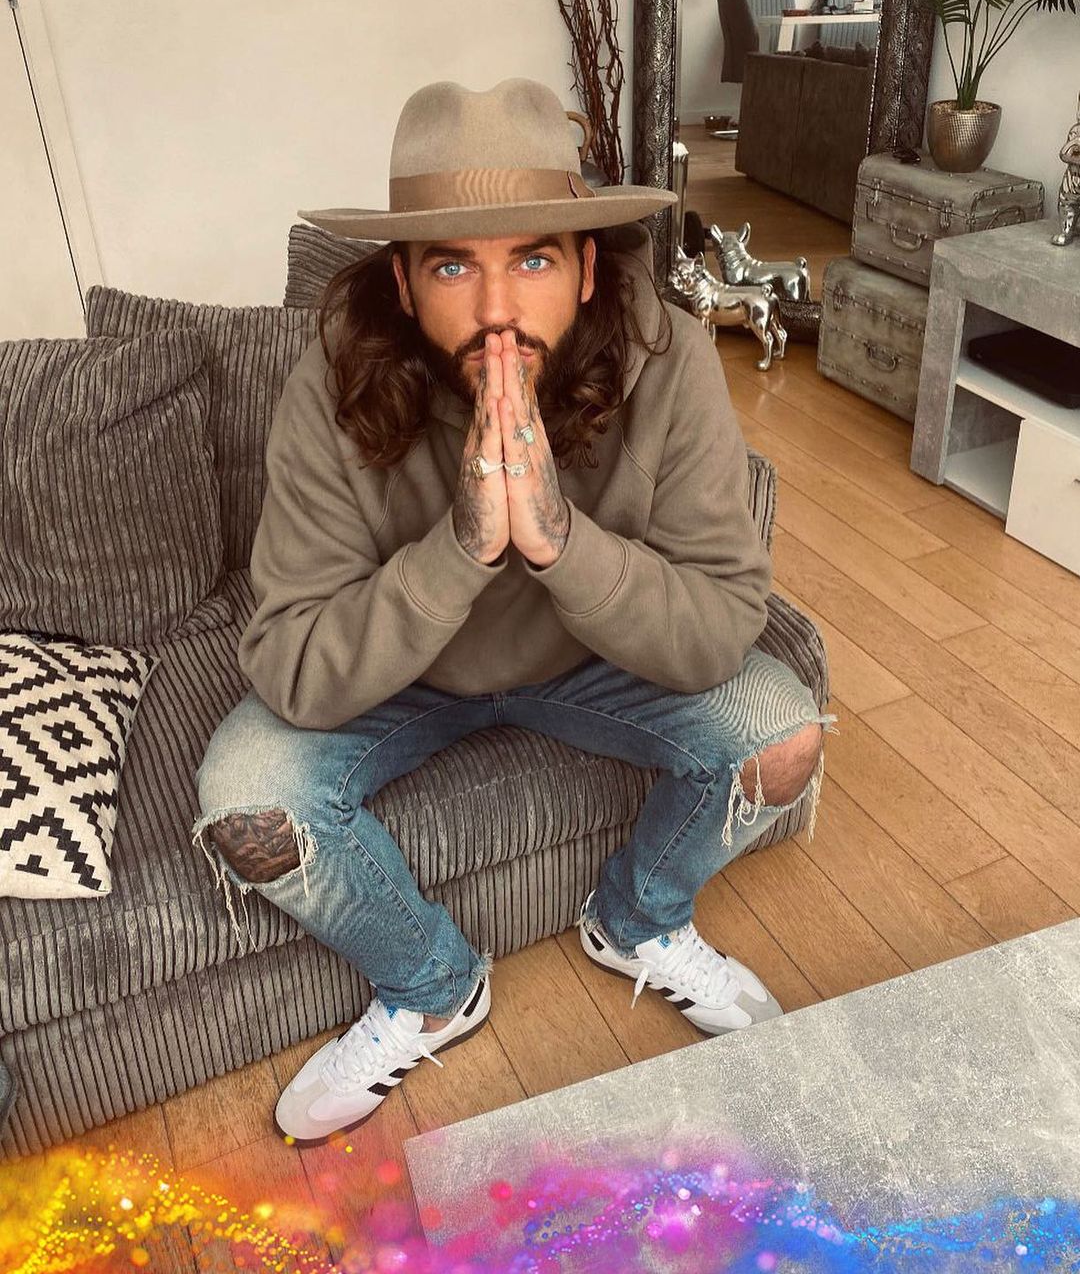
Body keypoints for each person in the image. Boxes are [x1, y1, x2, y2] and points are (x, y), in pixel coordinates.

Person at [192, 77, 836, 1147]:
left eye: (532, 258)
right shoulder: (329, 383)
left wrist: (559, 544)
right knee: (245, 804)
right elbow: (293, 665)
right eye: (454, 265)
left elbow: (725, 618)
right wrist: (461, 549)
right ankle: (437, 985)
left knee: (783, 738)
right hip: (402, 683)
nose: (497, 310)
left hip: (593, 659)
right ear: (401, 281)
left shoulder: (668, 360)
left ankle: (638, 924)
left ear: (588, 269)